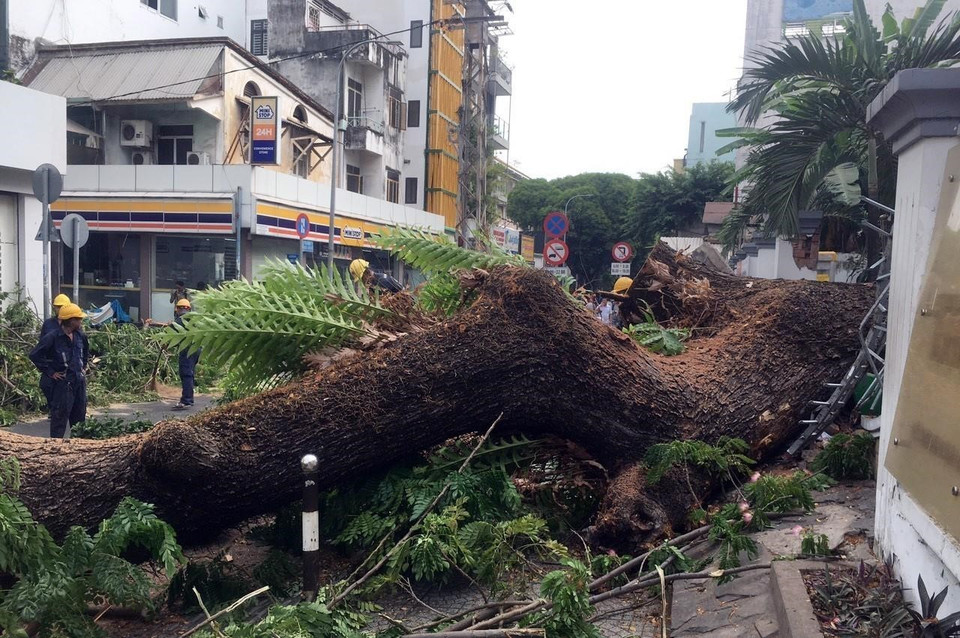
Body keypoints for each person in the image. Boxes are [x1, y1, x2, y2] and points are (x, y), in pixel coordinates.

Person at [29, 303, 89, 439]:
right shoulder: (52, 337)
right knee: (59, 419)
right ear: (71, 321)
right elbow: (35, 355)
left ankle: (79, 446)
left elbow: (85, 352)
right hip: (63, 384)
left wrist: (83, 367)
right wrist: (50, 372)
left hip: (79, 382)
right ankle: (55, 447)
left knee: (79, 419)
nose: (81, 321)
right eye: (79, 319)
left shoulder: (80, 336)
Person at [171, 299, 201, 410]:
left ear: (178, 309)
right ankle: (188, 398)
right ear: (189, 309)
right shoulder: (195, 320)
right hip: (197, 349)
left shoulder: (179, 321)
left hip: (187, 350)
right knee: (190, 373)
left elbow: (170, 335)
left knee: (186, 374)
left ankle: (187, 400)